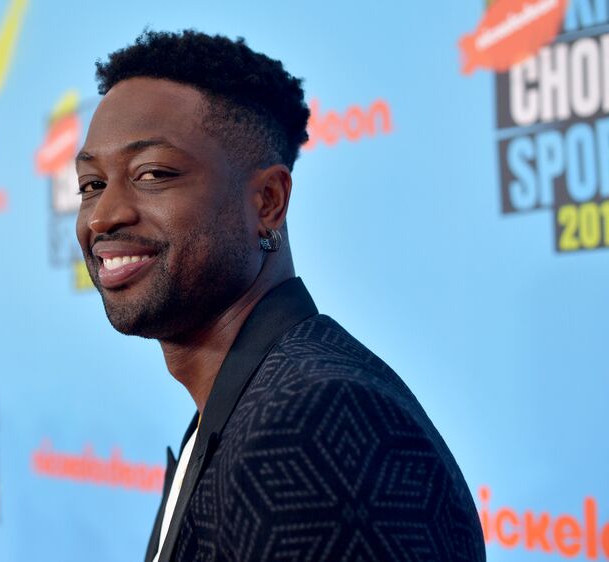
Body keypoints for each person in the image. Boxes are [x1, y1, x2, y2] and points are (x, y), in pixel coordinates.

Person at [76, 30, 486, 562]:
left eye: (153, 174)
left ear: (268, 201)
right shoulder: (245, 403)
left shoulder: (307, 424)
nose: (104, 216)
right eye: (91, 185)